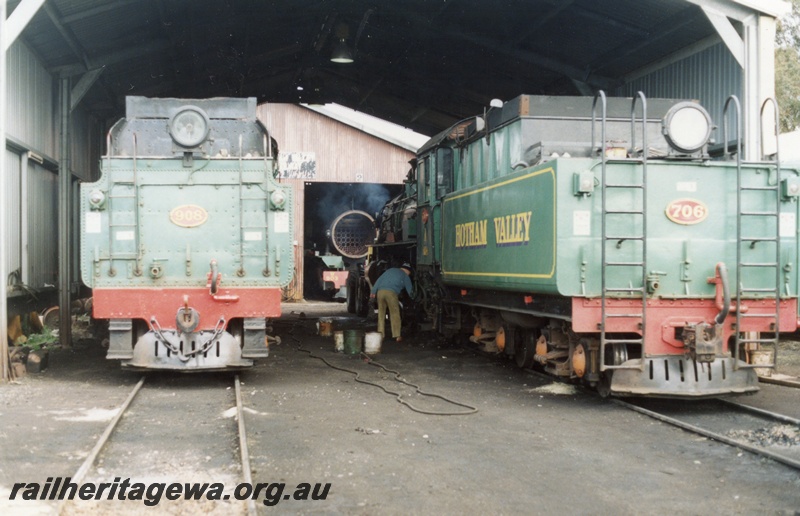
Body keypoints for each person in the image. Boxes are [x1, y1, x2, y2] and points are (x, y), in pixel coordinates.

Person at [370, 263, 413, 342]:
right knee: (395, 314)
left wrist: (373, 292)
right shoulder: (405, 275)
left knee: (381, 314)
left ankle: (381, 334)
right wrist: (413, 299)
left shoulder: (390, 270)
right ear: (408, 271)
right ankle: (397, 335)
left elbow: (379, 280)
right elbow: (410, 290)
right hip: (391, 293)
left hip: (380, 292)